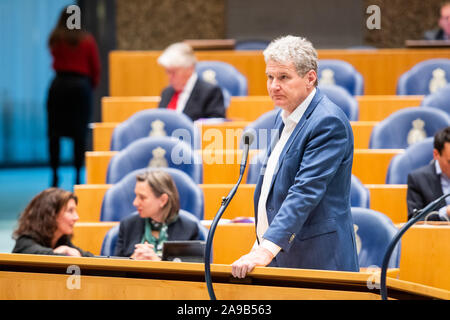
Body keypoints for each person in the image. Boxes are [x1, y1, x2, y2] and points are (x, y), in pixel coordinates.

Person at [231, 35, 359, 279]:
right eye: (270, 77)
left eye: (283, 77)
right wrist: (261, 244)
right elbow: (275, 187)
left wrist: (266, 249)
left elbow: (304, 192)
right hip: (284, 255)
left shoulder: (327, 122)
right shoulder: (282, 116)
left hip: (319, 261)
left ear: (310, 78)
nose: (273, 86)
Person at [47, 8, 101, 187]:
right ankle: (78, 175)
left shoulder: (56, 38)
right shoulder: (87, 40)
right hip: (80, 88)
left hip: (59, 85)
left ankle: (54, 174)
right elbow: (95, 69)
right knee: (79, 134)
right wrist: (88, 86)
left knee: (54, 133)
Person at [114, 170, 205, 260]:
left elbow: (191, 272)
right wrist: (133, 259)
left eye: (142, 197)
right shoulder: (128, 225)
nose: (135, 203)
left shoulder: (189, 229)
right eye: (136, 196)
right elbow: (114, 270)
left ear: (163, 200)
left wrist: (157, 262)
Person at [12, 188, 93, 257]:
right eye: (70, 211)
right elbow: (41, 256)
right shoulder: (24, 243)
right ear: (51, 215)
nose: (76, 217)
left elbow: (85, 256)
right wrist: (62, 250)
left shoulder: (61, 241)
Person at [157, 42, 226, 121]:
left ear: (190, 69)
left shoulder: (210, 92)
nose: (169, 76)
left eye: (173, 72)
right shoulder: (166, 92)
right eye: (168, 72)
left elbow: (215, 126)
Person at [407, 126, 450, 221]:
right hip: (437, 235)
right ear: (436, 155)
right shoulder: (418, 180)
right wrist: (445, 212)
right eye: (449, 162)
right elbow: (414, 222)